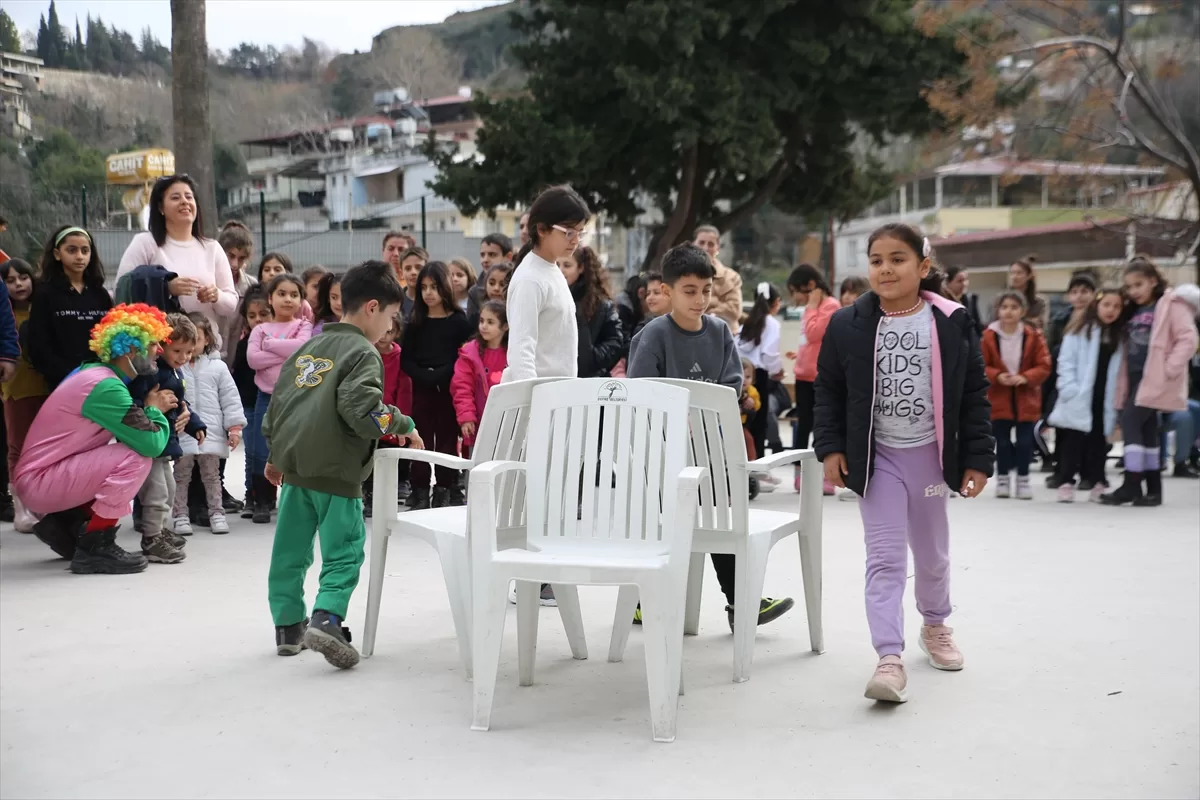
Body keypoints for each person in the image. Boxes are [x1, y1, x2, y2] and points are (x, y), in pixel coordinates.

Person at [813, 222, 993, 704]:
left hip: (931, 460)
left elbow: (973, 394)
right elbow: (827, 390)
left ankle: (935, 626)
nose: (886, 268)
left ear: (923, 266)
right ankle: (888, 658)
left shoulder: (950, 321)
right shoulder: (847, 323)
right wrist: (830, 448)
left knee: (932, 555)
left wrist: (978, 457)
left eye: (897, 259)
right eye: (876, 260)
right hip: (879, 461)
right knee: (886, 559)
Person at [262, 260, 423, 668]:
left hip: (296, 475)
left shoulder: (307, 350)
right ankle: (327, 619)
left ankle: (288, 627)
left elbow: (277, 409)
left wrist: (276, 456)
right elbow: (364, 411)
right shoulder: (363, 353)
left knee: (290, 552)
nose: (389, 327)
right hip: (337, 477)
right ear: (371, 308)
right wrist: (401, 423)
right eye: (389, 317)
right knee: (345, 552)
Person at [628, 243, 794, 629]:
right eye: (690, 290)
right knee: (663, 526)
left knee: (720, 521)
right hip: (663, 457)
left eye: (706, 289)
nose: (700, 299)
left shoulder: (720, 332)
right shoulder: (652, 336)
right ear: (667, 292)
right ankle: (645, 600)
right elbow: (639, 395)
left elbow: (732, 385)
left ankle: (742, 603)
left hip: (711, 453)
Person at [14, 304, 178, 573]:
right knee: (135, 457)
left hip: (39, 479)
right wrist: (154, 410)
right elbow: (152, 443)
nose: (159, 350)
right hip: (41, 482)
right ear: (130, 348)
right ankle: (95, 547)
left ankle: (68, 524)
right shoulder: (106, 387)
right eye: (153, 344)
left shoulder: (92, 374)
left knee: (121, 451)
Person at [1101, 257, 1200, 506]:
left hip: (1155, 379)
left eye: (1139, 284)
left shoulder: (1171, 304)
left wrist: (1169, 369)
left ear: (1153, 281)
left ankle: (1132, 484)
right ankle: (1154, 490)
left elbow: (1188, 338)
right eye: (1130, 286)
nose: (1134, 291)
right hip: (1135, 378)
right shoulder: (1134, 310)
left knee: (1131, 421)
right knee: (1146, 430)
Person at [124, 312, 206, 562]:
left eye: (189, 352)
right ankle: (151, 538)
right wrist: (150, 407)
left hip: (163, 443)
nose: (184, 358)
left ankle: (159, 532)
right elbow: (134, 403)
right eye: (178, 351)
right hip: (149, 443)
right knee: (156, 493)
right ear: (162, 346)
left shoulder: (173, 371)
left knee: (168, 489)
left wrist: (194, 423)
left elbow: (179, 403)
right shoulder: (150, 372)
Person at [117, 175, 238, 337]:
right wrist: (165, 287)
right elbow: (123, 287)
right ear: (161, 208)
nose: (185, 202)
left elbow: (230, 305)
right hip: (160, 349)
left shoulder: (212, 248)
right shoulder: (145, 243)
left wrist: (217, 295)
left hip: (206, 351)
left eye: (189, 197)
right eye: (175, 197)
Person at [400, 262, 473, 509]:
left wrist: (442, 374)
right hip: (421, 390)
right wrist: (423, 375)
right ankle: (420, 490)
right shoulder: (415, 322)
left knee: (446, 441)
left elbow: (462, 356)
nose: (428, 293)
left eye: (434, 287)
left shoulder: (459, 322)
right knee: (420, 440)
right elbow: (405, 358)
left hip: (449, 391)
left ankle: (444, 488)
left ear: (446, 288)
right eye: (424, 288)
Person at [504, 185, 588, 383]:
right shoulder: (530, 279)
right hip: (537, 400)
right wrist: (533, 405)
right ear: (541, 229)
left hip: (555, 396)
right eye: (568, 232)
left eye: (580, 232)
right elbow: (521, 351)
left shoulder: (550, 269)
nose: (576, 240)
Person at [1047, 290, 1125, 502]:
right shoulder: (1079, 331)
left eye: (1117, 306)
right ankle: (1065, 481)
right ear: (1096, 306)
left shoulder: (1119, 336)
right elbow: (1065, 362)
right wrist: (1069, 389)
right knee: (1072, 442)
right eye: (1107, 305)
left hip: (1103, 398)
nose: (1111, 310)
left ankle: (1098, 481)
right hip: (1079, 396)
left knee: (1099, 442)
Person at [246, 274, 313, 522]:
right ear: (270, 298)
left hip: (297, 398)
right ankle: (263, 500)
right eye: (282, 294)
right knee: (262, 450)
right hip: (266, 397)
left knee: (297, 449)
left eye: (294, 295)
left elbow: (302, 349)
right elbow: (253, 360)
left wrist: (271, 345)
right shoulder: (260, 328)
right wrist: (286, 352)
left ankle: (296, 500)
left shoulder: (303, 326)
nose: (288, 299)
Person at [173, 314, 245, 535]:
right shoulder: (174, 368)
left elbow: (230, 398)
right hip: (183, 433)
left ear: (207, 341)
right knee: (181, 476)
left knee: (212, 477)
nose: (192, 345)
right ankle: (180, 516)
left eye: (197, 339)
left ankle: (217, 512)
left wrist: (234, 428)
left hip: (211, 433)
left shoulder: (218, 368)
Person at [982, 291, 1052, 499]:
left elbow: (1044, 364)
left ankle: (1023, 479)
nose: (1008, 311)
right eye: (1004, 307)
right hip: (999, 397)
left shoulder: (1033, 336)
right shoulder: (988, 336)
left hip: (1026, 398)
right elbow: (981, 365)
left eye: (1014, 307)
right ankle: (1002, 478)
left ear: (1022, 311)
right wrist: (998, 375)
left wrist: (1026, 377)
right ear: (998, 311)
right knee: (1001, 442)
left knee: (1025, 442)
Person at [28, 226, 114, 389]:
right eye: (72, 250)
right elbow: (39, 343)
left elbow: (110, 339)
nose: (79, 257)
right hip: (62, 383)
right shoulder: (45, 293)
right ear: (57, 254)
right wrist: (67, 375)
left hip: (100, 381)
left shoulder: (100, 294)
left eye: (85, 250)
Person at [2, 259, 50, 532]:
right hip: (17, 391)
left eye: (23, 277)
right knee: (17, 448)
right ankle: (21, 508)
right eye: (10, 280)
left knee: (43, 448)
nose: (18, 284)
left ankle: (42, 501)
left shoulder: (41, 310)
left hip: (46, 389)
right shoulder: (5, 316)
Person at [786, 263, 840, 494]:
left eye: (795, 291)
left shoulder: (830, 306)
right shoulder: (814, 308)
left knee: (822, 427)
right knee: (803, 425)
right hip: (803, 376)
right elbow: (809, 341)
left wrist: (811, 307)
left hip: (822, 377)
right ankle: (800, 476)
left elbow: (814, 333)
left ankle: (825, 477)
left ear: (809, 285)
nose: (795, 297)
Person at [1043, 272, 1098, 486]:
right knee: (1063, 428)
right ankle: (1062, 472)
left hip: (1088, 381)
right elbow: (1051, 351)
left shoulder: (1098, 319)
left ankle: (1087, 473)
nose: (1080, 296)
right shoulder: (1060, 320)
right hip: (1062, 379)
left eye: (1085, 291)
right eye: (1075, 292)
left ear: (1094, 294)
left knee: (1086, 431)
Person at [362, 312, 408, 518]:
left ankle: (384, 498)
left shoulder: (400, 358)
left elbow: (404, 392)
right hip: (368, 415)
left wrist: (401, 422)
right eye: (383, 330)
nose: (384, 335)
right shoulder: (365, 353)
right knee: (368, 460)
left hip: (391, 416)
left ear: (396, 333)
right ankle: (368, 496)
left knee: (387, 460)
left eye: (390, 332)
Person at [737, 282, 783, 479]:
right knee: (760, 423)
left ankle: (750, 469)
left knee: (747, 425)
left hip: (743, 373)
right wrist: (777, 372)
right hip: (760, 376)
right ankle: (760, 471)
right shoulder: (772, 323)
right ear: (774, 303)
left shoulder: (747, 323)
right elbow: (770, 353)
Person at [452, 300, 509, 458]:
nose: (483, 326)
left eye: (490, 322)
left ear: (505, 326)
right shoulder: (470, 354)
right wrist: (466, 417)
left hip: (506, 425)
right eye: (482, 321)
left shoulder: (513, 354)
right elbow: (462, 387)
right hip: (477, 424)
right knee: (476, 467)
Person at [558, 245, 625, 378]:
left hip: (591, 381)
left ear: (581, 268)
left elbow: (615, 342)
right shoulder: (550, 297)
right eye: (557, 264)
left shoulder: (600, 304)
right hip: (555, 377)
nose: (560, 270)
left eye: (567, 265)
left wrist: (592, 358)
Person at [232, 288, 270, 518]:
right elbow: (238, 378)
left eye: (263, 314)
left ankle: (265, 498)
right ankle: (253, 498)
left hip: (270, 403)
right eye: (252, 315)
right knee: (253, 454)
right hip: (248, 405)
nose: (257, 320)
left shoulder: (279, 342)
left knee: (265, 453)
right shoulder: (244, 345)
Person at [1159, 283, 1200, 478]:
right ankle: (1157, 458)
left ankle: (1183, 459)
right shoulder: (1164, 325)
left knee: (1193, 411)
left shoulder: (1190, 328)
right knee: (1178, 416)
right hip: (1156, 393)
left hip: (1178, 394)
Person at [217, 221, 258, 365]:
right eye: (231, 256)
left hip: (237, 362)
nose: (235, 264)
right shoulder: (208, 281)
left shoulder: (251, 286)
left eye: (241, 258)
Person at [692, 224, 743, 331]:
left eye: (710, 244)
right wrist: (718, 302)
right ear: (693, 245)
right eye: (701, 243)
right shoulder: (681, 274)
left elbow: (734, 310)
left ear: (717, 248)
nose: (705, 248)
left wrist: (703, 304)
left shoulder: (731, 277)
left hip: (725, 335)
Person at [1004, 255, 1048, 330]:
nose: (1014, 276)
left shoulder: (1039, 302)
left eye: (1019, 273)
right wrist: (1028, 322)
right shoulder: (1002, 300)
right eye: (1012, 273)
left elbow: (1040, 327)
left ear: (1029, 275)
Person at [942, 267, 982, 333]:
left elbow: (977, 325)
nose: (964, 284)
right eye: (959, 281)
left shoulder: (970, 300)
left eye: (966, 280)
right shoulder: (942, 302)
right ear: (948, 282)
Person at [398, 246, 429, 320]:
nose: (413, 272)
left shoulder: (435, 300)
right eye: (408, 268)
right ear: (401, 273)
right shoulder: (396, 301)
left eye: (419, 268)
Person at [311, 272, 343, 336]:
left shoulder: (363, 323)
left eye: (344, 298)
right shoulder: (321, 330)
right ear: (328, 298)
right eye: (334, 297)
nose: (339, 303)